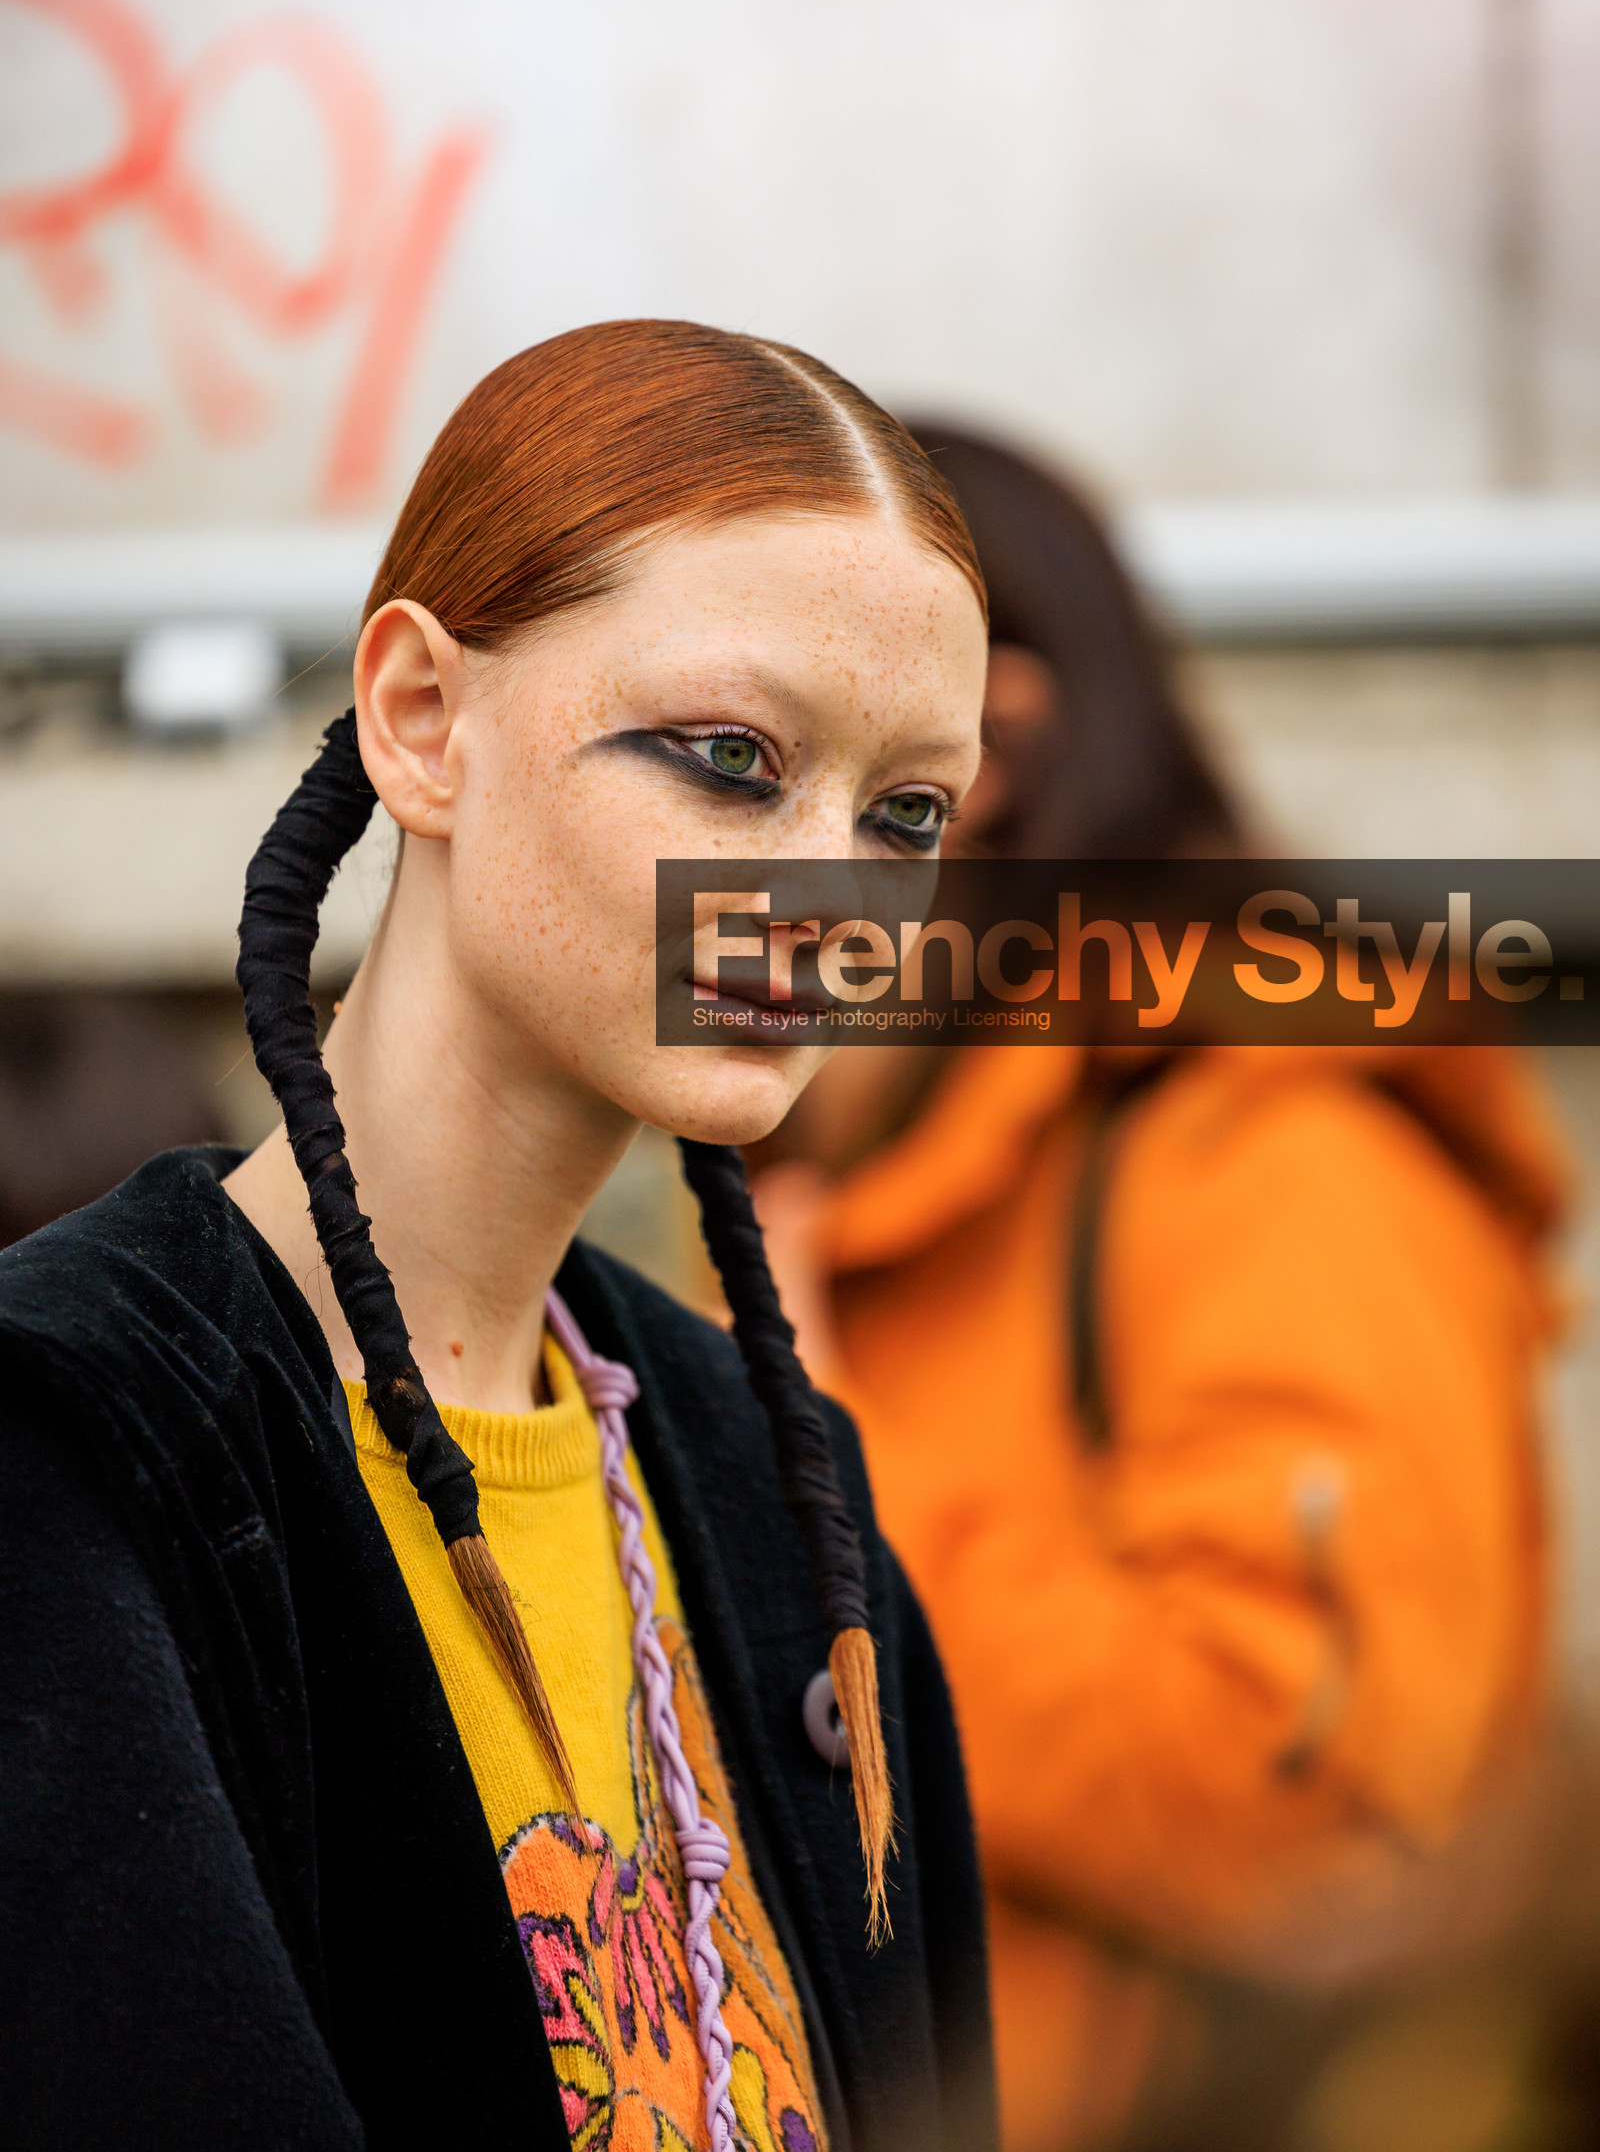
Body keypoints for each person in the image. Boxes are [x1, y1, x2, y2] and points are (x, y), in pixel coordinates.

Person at [0, 325, 1000, 2152]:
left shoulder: (780, 1494)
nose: (831, 895)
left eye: (907, 810)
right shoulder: (74, 1453)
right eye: (731, 758)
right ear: (419, 719)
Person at [752, 425, 1570, 2152]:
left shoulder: (1276, 1166)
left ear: (989, 765)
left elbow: (1333, 1840)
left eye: (743, 757)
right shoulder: (832, 1188)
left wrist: (827, 1488)